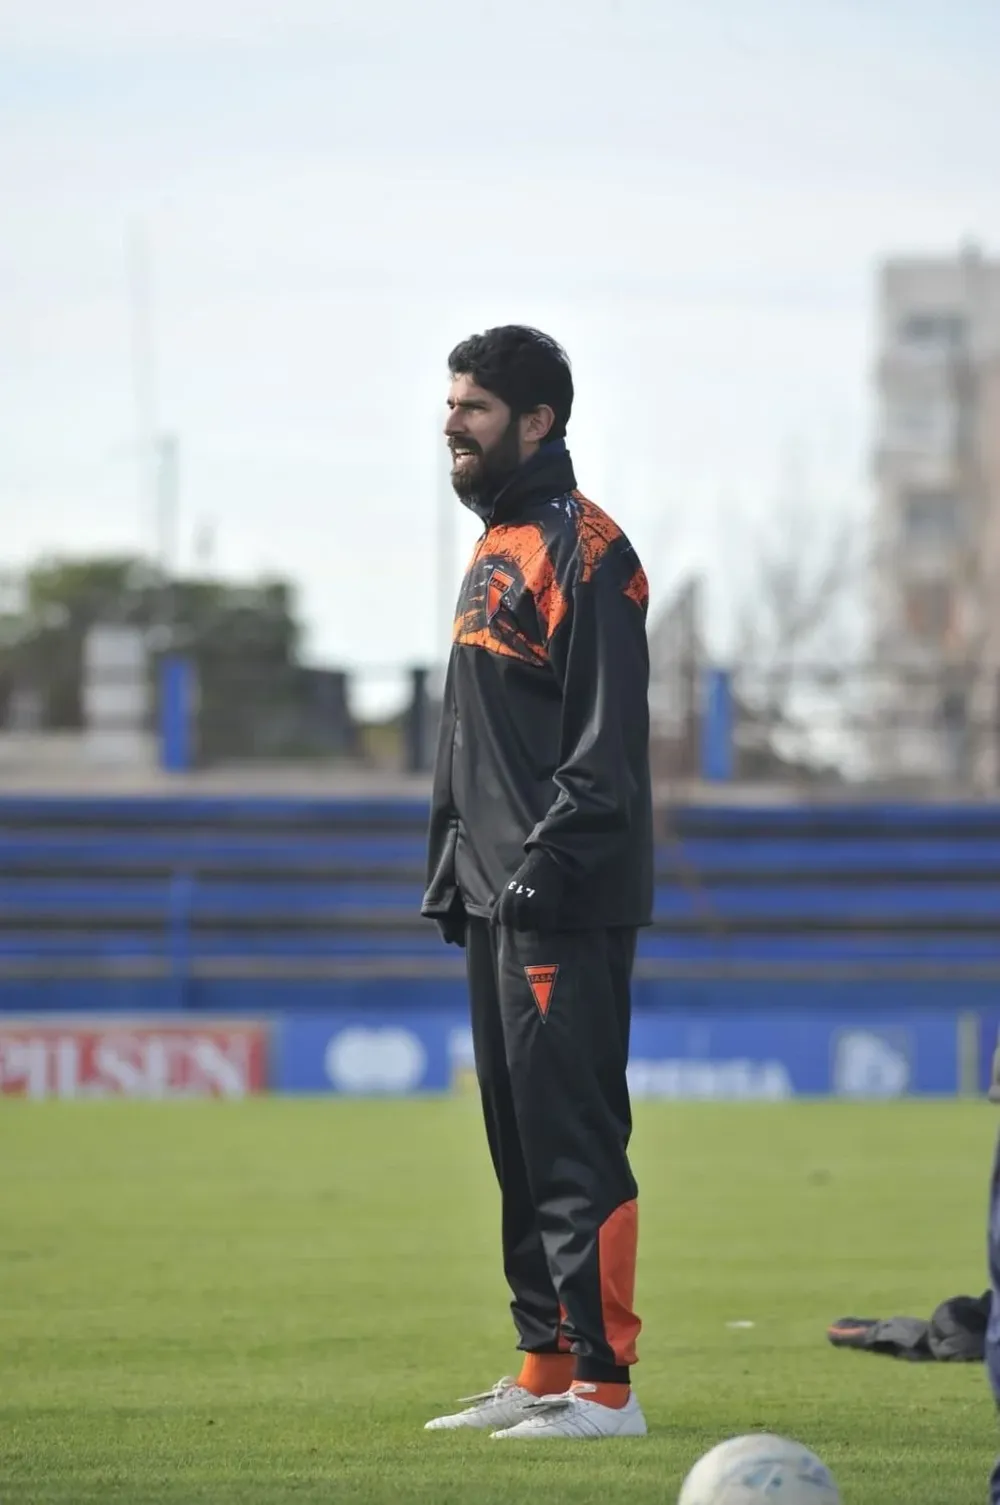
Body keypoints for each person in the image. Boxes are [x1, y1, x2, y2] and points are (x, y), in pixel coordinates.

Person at [421, 325, 654, 1440]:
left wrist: (545, 862)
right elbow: (475, 733)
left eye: (472, 406)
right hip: (493, 893)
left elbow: (606, 744)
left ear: (536, 419)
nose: (451, 423)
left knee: (571, 1138)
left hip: (562, 893)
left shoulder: (587, 549)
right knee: (515, 1142)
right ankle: (544, 1365)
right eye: (450, 404)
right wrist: (453, 864)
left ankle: (607, 1387)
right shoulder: (494, 546)